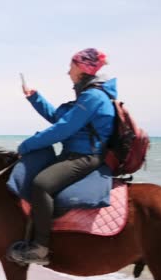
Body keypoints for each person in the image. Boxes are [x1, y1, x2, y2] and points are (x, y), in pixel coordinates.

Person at [7, 48, 117, 265]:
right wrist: (35, 98)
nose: (68, 73)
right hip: (74, 153)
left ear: (83, 69)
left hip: (85, 156)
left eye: (71, 67)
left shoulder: (92, 96)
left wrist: (26, 146)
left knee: (41, 184)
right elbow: (59, 119)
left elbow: (63, 129)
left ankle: (40, 248)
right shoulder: (88, 94)